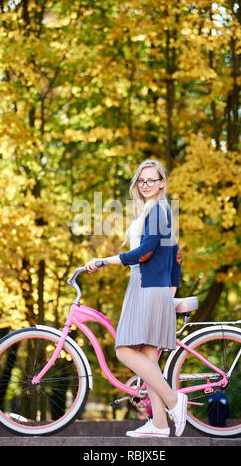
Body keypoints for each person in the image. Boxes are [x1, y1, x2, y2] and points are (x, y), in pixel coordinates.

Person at [84, 159, 187, 438]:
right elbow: (176, 252)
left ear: (162, 182)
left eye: (152, 180)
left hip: (146, 287)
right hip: (150, 286)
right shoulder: (152, 212)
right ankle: (160, 425)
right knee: (147, 359)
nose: (146, 185)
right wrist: (172, 287)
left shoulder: (159, 210)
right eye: (142, 181)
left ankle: (175, 401)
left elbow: (144, 252)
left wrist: (105, 260)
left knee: (123, 350)